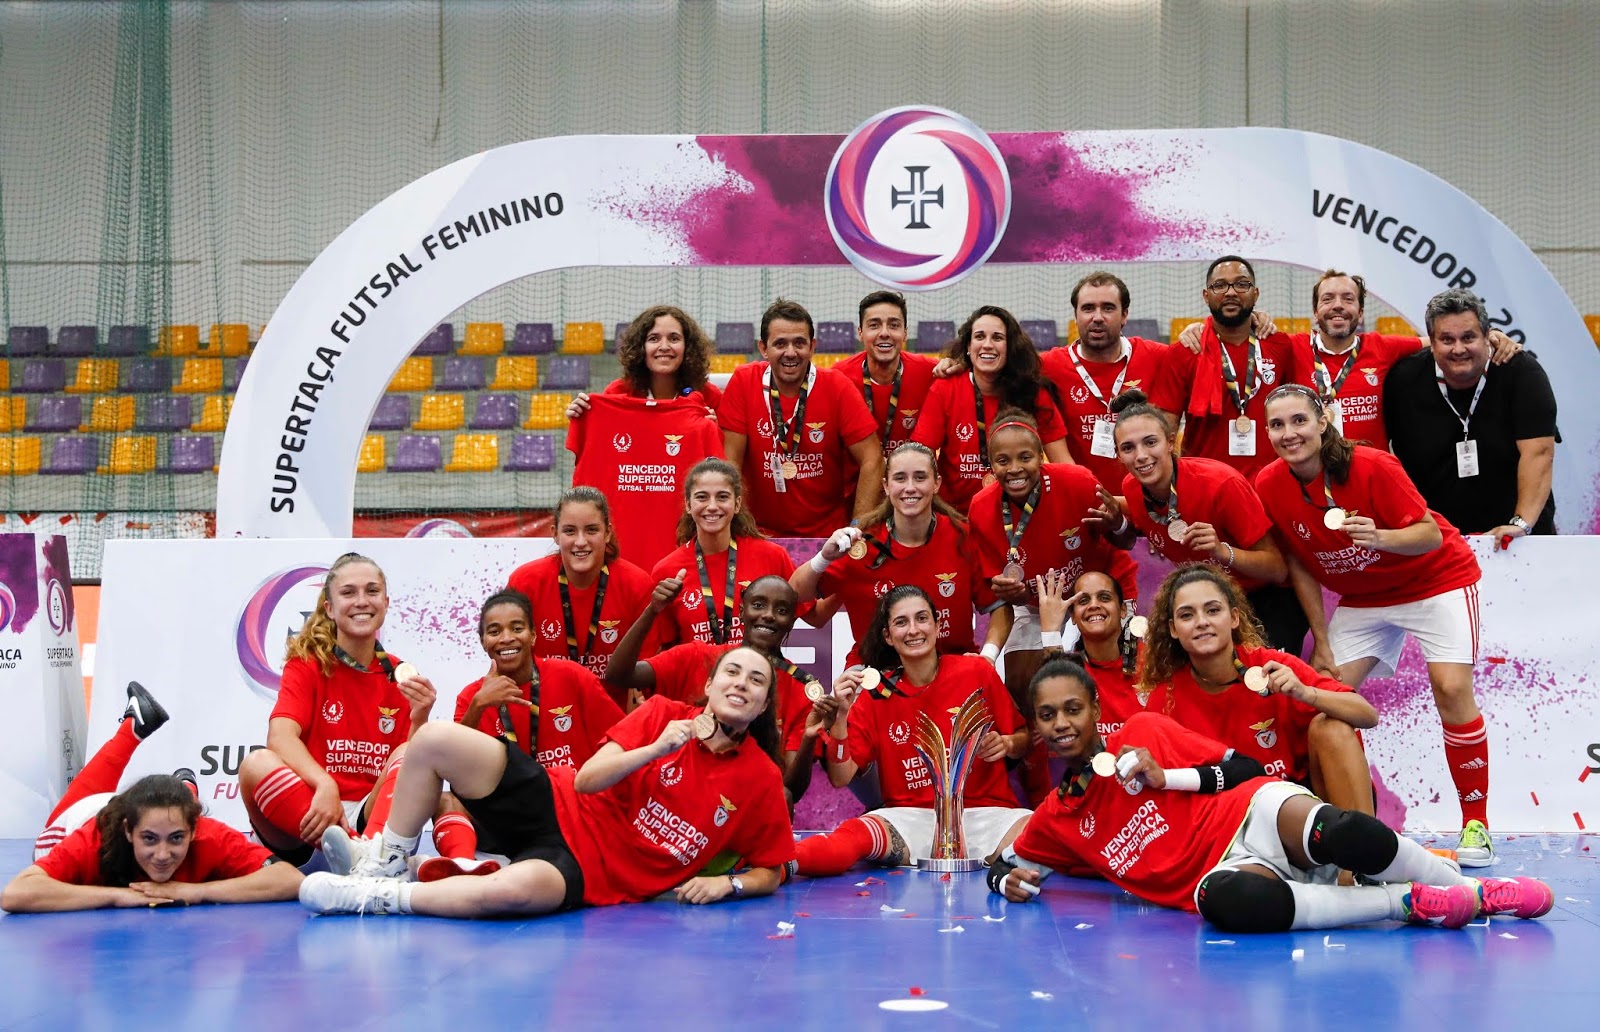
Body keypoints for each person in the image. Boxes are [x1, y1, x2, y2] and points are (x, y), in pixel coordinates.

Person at [985, 658, 1553, 932]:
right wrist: (1003, 879)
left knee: (1346, 832)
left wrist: (1169, 778)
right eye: (1047, 715)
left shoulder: (1143, 730)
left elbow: (1244, 768)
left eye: (1073, 709)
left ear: (1095, 710)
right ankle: (1404, 903)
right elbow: (1002, 864)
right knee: (1232, 908)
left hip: (1247, 814)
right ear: (1035, 728)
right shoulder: (1057, 817)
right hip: (1217, 874)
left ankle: (1474, 892)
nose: (1062, 723)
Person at [297, 646, 795, 917]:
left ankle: (373, 900)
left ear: (763, 704)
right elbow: (587, 782)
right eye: (732, 672)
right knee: (434, 741)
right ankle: (385, 863)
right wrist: (659, 746)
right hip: (555, 801)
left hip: (590, 870)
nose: (741, 684)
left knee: (513, 894)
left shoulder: (761, 779)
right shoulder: (663, 715)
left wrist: (727, 884)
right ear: (709, 685)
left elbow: (770, 871)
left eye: (755, 681)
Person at [1259, 383, 1495, 864]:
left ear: (1323, 421)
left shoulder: (1372, 465)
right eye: (1277, 425)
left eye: (1299, 420)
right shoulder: (1269, 484)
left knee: (1450, 687)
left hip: (1436, 580)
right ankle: (1347, 834)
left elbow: (1429, 534)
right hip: (1365, 599)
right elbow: (1300, 564)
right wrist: (1320, 640)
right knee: (1325, 702)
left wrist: (1380, 537)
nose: (1289, 434)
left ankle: (1477, 826)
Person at [789, 586, 1032, 877]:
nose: (913, 630)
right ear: (888, 636)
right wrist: (840, 717)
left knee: (1040, 830)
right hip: (911, 821)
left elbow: (1023, 739)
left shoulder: (976, 671)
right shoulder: (876, 692)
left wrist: (1007, 743)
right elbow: (841, 778)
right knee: (853, 835)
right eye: (901, 622)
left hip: (986, 816)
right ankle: (778, 864)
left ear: (937, 625)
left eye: (922, 618)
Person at [2, 681, 303, 912]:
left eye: (175, 839)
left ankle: (178, 782)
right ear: (127, 831)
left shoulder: (208, 835)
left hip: (153, 809)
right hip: (85, 815)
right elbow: (15, 893)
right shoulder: (92, 840)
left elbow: (290, 879)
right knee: (45, 845)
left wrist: (193, 891)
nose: (161, 855)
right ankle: (143, 744)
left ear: (194, 830)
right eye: (148, 839)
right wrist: (121, 896)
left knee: (169, 809)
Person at [237, 553, 451, 868]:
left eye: (372, 591)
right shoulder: (307, 663)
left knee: (412, 750)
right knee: (255, 764)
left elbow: (412, 770)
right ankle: (362, 859)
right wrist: (326, 784)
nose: (362, 601)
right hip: (312, 819)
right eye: (348, 593)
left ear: (386, 602)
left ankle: (369, 861)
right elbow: (280, 737)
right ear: (330, 608)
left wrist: (420, 717)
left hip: (373, 825)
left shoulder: (401, 673)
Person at [1136, 564, 1379, 818]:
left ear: (1234, 618)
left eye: (1213, 610)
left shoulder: (1273, 666)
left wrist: (1306, 693)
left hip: (1314, 804)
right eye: (1187, 615)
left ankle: (1366, 846)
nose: (1202, 622)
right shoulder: (1165, 700)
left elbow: (1367, 715)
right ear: (1173, 629)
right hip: (1239, 822)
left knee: (1330, 726)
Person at [1095, 388, 1303, 652]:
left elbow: (1277, 569)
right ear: (1118, 454)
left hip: (1266, 599)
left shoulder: (1220, 485)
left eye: (1150, 442)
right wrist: (1113, 512)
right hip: (1206, 600)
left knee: (1258, 682)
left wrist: (1220, 551)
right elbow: (1134, 510)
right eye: (1128, 448)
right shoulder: (1132, 489)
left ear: (1171, 442)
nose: (1141, 456)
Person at [966, 412, 1136, 708]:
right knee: (1022, 683)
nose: (1015, 469)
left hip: (1098, 592)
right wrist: (1014, 595)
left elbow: (1127, 540)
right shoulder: (981, 509)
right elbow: (1000, 598)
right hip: (1036, 604)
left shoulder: (1077, 481)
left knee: (1114, 677)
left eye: (1025, 457)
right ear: (991, 466)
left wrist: (1117, 523)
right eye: (1003, 461)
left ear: (1041, 456)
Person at [607, 574, 819, 804]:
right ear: (742, 610)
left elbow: (790, 791)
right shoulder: (698, 656)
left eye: (781, 610)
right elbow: (619, 675)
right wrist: (653, 610)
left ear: (791, 620)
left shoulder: (802, 689)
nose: (768, 615)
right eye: (758, 605)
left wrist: (809, 738)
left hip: (740, 806)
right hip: (676, 792)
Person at [790, 443, 1006, 666]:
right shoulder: (860, 544)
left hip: (951, 668)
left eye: (920, 477)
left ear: (936, 484)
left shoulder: (963, 536)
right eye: (900, 478)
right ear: (886, 486)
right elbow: (795, 595)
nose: (910, 487)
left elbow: (999, 605)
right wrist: (823, 558)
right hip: (877, 673)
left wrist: (988, 657)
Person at [1384, 288, 1559, 538]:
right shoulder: (1402, 381)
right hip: (1438, 541)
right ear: (1431, 342)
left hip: (1517, 537)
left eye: (1468, 338)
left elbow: (1539, 453)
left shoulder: (1522, 373)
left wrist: (1521, 524)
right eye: (1447, 340)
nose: (1459, 349)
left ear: (1488, 336)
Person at [563, 306, 728, 570]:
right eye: (654, 339)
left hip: (683, 539)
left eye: (674, 338)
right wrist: (582, 415)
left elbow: (727, 468)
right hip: (626, 537)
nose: (664, 346)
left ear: (688, 347)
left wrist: (714, 430)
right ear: (641, 347)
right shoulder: (616, 394)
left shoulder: (708, 397)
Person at [719, 298, 884, 536]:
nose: (790, 352)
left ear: (813, 346)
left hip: (827, 536)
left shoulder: (837, 386)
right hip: (759, 534)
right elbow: (730, 462)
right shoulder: (744, 382)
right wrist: (740, 529)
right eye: (780, 343)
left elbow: (872, 458)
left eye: (799, 343)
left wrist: (856, 528)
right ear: (763, 348)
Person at [1149, 256, 1309, 479]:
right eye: (1220, 285)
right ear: (1206, 296)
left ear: (1256, 293)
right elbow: (1164, 429)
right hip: (1205, 483)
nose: (1231, 292)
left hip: (1273, 482)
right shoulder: (1185, 351)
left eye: (1242, 284)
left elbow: (1300, 413)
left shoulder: (1280, 345)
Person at [914, 305, 1073, 512]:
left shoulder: (1033, 393)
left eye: (997, 338)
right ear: (968, 347)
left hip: (1021, 514)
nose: (987, 345)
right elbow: (920, 458)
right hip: (956, 516)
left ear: (1010, 347)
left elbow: (1064, 464)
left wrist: (1087, 497)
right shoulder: (945, 389)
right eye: (979, 337)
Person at [505, 486, 659, 693]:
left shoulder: (637, 585)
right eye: (569, 531)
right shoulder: (525, 583)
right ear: (555, 534)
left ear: (608, 533)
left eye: (591, 530)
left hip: (615, 717)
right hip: (542, 714)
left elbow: (645, 671)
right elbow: (506, 661)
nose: (580, 542)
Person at [453, 590, 624, 772]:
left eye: (517, 629)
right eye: (495, 632)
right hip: (512, 800)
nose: (507, 638)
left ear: (533, 635)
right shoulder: (471, 698)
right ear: (483, 641)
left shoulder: (571, 676)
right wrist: (478, 705)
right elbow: (455, 765)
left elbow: (621, 736)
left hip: (577, 795)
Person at [650, 458, 798, 648]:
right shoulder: (667, 570)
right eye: (702, 497)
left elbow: (816, 616)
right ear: (688, 505)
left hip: (758, 675)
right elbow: (666, 649)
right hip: (699, 677)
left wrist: (837, 569)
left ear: (737, 504)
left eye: (722, 497)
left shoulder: (772, 557)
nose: (712, 506)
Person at [1042, 271, 1171, 489]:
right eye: (1088, 308)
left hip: (1147, 499)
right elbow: (996, 363)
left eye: (1108, 308)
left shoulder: (1158, 356)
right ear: (1076, 316)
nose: (1098, 317)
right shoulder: (1048, 365)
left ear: (1124, 315)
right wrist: (962, 360)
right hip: (1083, 497)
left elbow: (1205, 352)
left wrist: (1196, 330)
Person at [832, 289, 939, 475]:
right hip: (854, 489)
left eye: (894, 325)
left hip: (911, 488)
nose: (884, 333)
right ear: (860, 333)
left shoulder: (932, 372)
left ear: (905, 333)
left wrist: (955, 362)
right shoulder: (838, 377)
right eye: (874, 325)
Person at [1035, 569, 1145, 738]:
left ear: (1123, 609)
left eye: (1104, 598)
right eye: (1083, 600)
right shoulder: (1072, 671)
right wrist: (1050, 633)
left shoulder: (1154, 661)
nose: (1093, 605)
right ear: (1072, 615)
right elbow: (1055, 703)